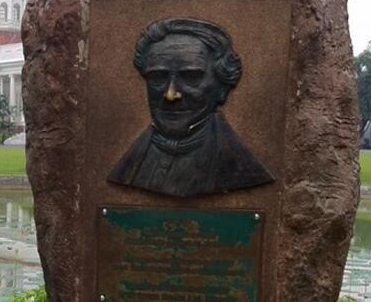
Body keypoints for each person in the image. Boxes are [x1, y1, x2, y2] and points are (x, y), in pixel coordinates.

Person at [107, 18, 274, 197]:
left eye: (191, 77)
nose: (170, 95)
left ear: (223, 87)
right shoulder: (128, 164)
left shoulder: (242, 168)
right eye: (157, 77)